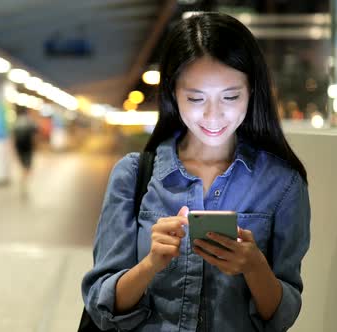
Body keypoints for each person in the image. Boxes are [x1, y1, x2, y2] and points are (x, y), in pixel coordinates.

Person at [81, 12, 310, 331]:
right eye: (195, 98)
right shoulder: (134, 175)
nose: (213, 115)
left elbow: (283, 316)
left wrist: (255, 267)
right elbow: (101, 305)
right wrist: (151, 264)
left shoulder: (283, 184)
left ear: (252, 92)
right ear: (173, 94)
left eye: (230, 96)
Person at [13, 108, 37, 191]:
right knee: (28, 161)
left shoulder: (16, 121)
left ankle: (24, 172)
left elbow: (13, 134)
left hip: (19, 145)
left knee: (23, 160)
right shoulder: (29, 120)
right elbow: (35, 131)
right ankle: (25, 174)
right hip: (28, 144)